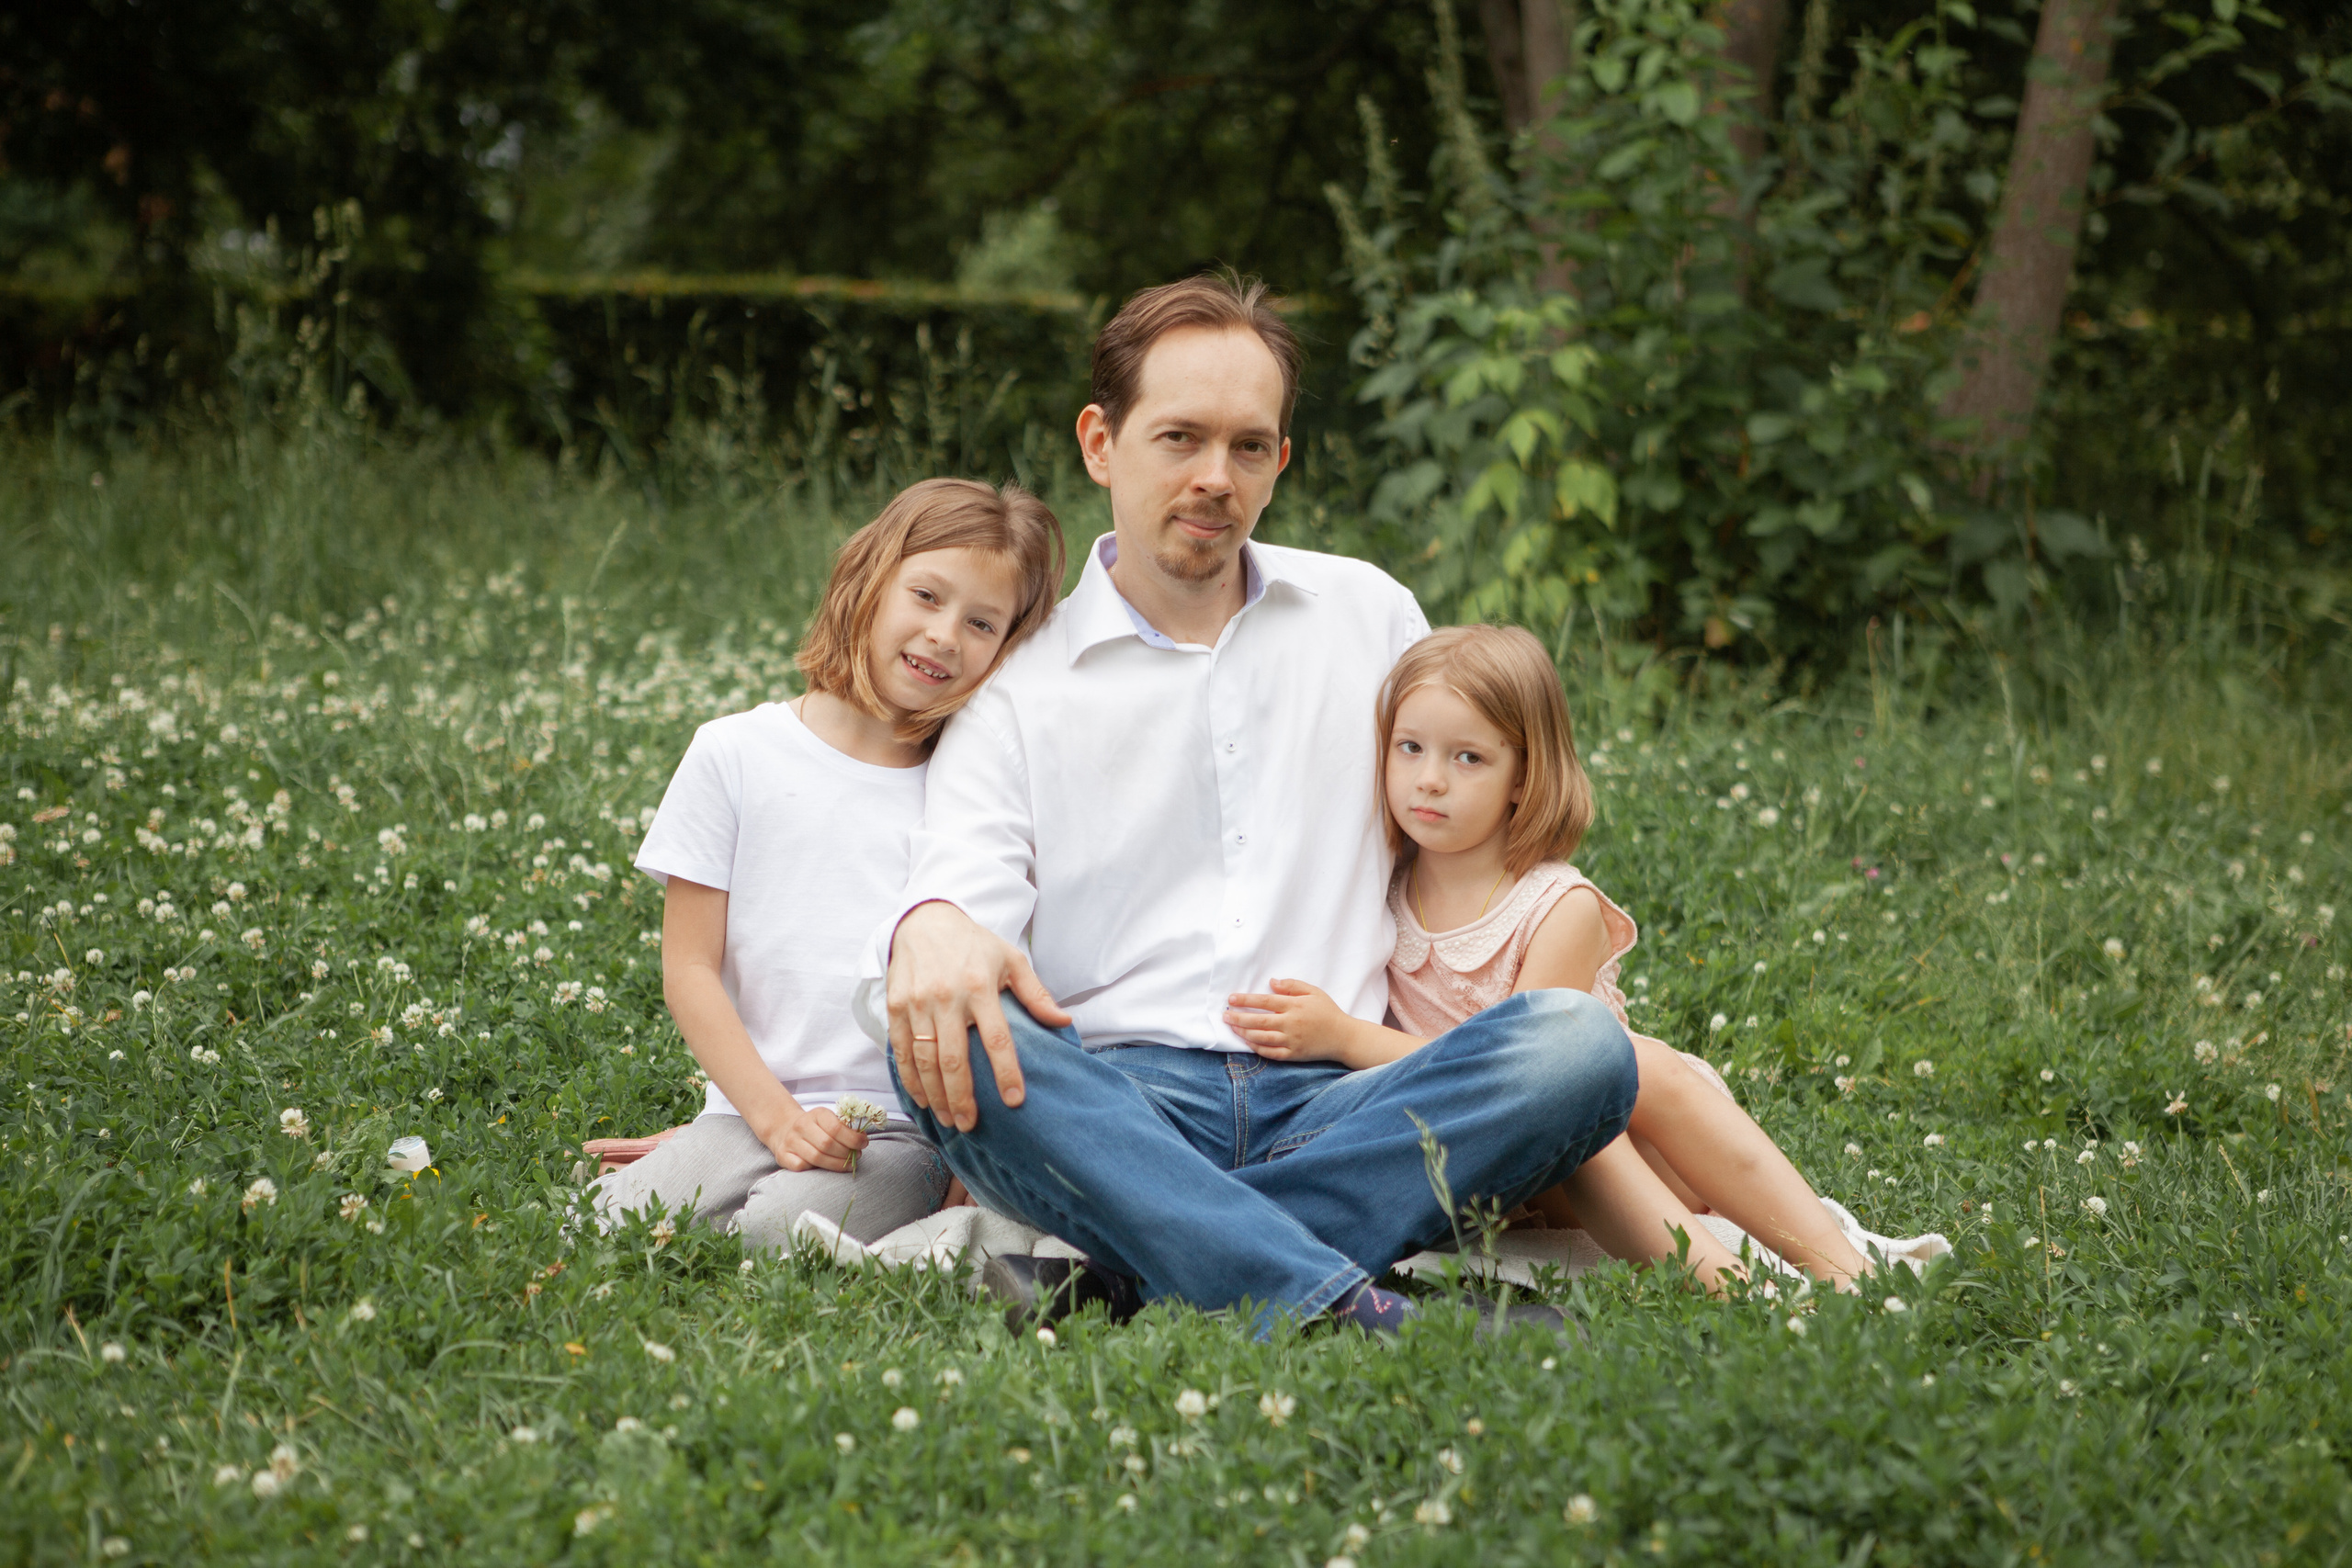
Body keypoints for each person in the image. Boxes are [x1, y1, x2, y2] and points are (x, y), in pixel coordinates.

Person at [876, 274, 1639, 1336]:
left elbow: (1463, 813)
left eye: (1247, 447)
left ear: (1280, 459)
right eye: (1179, 438)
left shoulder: (1366, 614)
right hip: (1121, 1106)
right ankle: (1354, 1308)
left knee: (1578, 1047)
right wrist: (935, 925)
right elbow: (960, 894)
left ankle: (1141, 1272)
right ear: (1101, 443)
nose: (1213, 479)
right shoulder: (1016, 686)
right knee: (937, 1037)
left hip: (1341, 1099)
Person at [1224, 624, 1876, 1291]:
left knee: (1618, 1084)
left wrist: (1342, 1036)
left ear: (1524, 773)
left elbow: (1522, 1082)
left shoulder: (1559, 907)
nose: (1430, 779)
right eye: (1410, 747)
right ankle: (1746, 1297)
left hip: (1636, 1147)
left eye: (1468, 758)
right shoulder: (1380, 889)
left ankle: (1832, 1272)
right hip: (1487, 1166)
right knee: (1565, 1137)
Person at [594, 479, 1065, 1250]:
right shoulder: (734, 753)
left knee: (780, 1232)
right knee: (604, 1222)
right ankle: (718, 1168)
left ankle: (950, 1221)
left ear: (1006, 652)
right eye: (926, 594)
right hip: (749, 1108)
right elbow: (689, 969)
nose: (945, 634)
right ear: (868, 581)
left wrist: (964, 1161)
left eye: (982, 622)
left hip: (894, 1131)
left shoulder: (981, 799)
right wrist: (769, 1121)